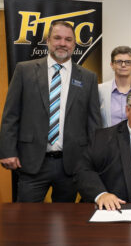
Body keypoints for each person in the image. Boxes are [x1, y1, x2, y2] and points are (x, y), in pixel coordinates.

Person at [0, 20, 101, 202]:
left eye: (68, 39)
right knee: (28, 220)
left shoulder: (88, 77)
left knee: (66, 223)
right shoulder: (24, 70)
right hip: (31, 162)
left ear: (74, 45)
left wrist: (94, 158)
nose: (62, 43)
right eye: (57, 38)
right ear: (48, 41)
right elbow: (11, 115)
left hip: (71, 164)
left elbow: (93, 122)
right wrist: (7, 151)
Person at [99, 46, 131, 128]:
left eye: (128, 62)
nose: (123, 65)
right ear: (112, 65)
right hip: (108, 139)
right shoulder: (100, 90)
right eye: (119, 62)